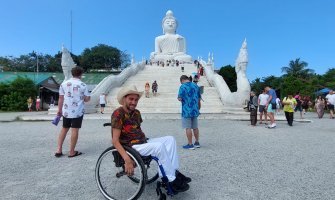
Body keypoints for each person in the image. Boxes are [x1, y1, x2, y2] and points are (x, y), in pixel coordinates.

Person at [111, 85, 191, 192]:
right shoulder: (118, 114)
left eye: (136, 99)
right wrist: (127, 159)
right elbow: (115, 141)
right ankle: (169, 180)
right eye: (131, 99)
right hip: (131, 146)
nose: (134, 102)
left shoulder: (136, 113)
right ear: (124, 98)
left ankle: (173, 172)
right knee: (159, 147)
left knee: (170, 139)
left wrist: (144, 140)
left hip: (143, 142)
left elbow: (138, 130)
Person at [54, 66, 91, 158]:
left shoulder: (64, 84)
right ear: (81, 74)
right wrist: (86, 97)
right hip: (78, 112)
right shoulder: (83, 85)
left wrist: (59, 110)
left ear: (72, 73)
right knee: (74, 130)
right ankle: (71, 151)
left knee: (64, 129)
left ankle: (58, 150)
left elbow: (61, 98)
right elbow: (87, 99)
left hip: (66, 111)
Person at [178, 75, 201, 149]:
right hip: (195, 110)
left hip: (186, 110)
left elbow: (179, 98)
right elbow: (199, 98)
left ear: (182, 80)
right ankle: (197, 142)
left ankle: (190, 144)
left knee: (188, 127)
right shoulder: (195, 86)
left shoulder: (182, 87)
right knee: (195, 127)